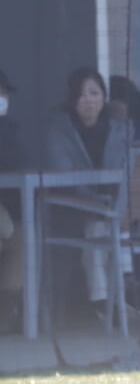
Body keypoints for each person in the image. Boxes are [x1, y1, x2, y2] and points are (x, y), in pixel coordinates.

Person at [43, 67, 140, 314]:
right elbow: (65, 177)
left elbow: (129, 172)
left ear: (104, 97)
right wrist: (101, 204)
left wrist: (114, 206)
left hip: (115, 209)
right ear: (72, 99)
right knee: (98, 225)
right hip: (74, 205)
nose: (89, 100)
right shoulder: (58, 130)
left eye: (94, 93)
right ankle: (125, 283)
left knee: (103, 226)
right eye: (81, 95)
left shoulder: (121, 129)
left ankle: (103, 301)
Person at [0, 69, 28, 331]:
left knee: (19, 234)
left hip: (9, 208)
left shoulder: (10, 129)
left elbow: (17, 164)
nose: (2, 99)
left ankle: (7, 312)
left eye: (4, 94)